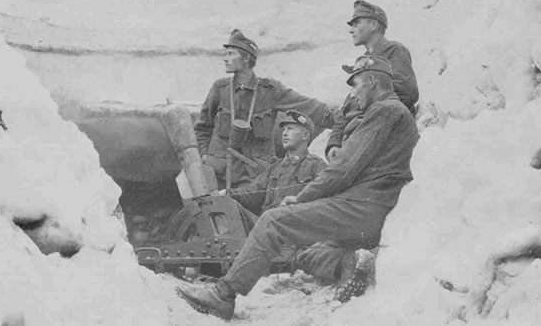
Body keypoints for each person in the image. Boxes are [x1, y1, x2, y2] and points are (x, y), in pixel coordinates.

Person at [176, 55, 420, 320]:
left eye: (355, 84)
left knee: (272, 221)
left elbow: (343, 170)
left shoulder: (384, 111)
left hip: (363, 207)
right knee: (309, 253)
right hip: (367, 206)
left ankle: (222, 296)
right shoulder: (390, 112)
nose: (353, 93)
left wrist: (302, 198)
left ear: (372, 81)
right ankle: (350, 263)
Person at [195, 29, 334, 189]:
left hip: (255, 177)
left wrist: (342, 117)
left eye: (231, 54)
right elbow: (202, 128)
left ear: (246, 58)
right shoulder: (220, 88)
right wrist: (205, 155)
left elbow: (309, 107)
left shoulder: (269, 90)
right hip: (219, 172)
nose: (225, 59)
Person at [326, 0, 419, 162]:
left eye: (356, 23)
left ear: (374, 25)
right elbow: (347, 107)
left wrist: (365, 123)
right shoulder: (362, 63)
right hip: (357, 140)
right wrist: (334, 143)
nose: (351, 30)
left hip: (380, 139)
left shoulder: (395, 50)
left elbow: (406, 94)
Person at [224, 110, 327, 231]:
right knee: (227, 206)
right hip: (266, 226)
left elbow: (323, 204)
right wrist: (226, 193)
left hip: (295, 230)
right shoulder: (276, 166)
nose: (284, 133)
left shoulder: (316, 166)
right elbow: (252, 194)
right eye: (284, 129)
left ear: (305, 135)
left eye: (290, 129)